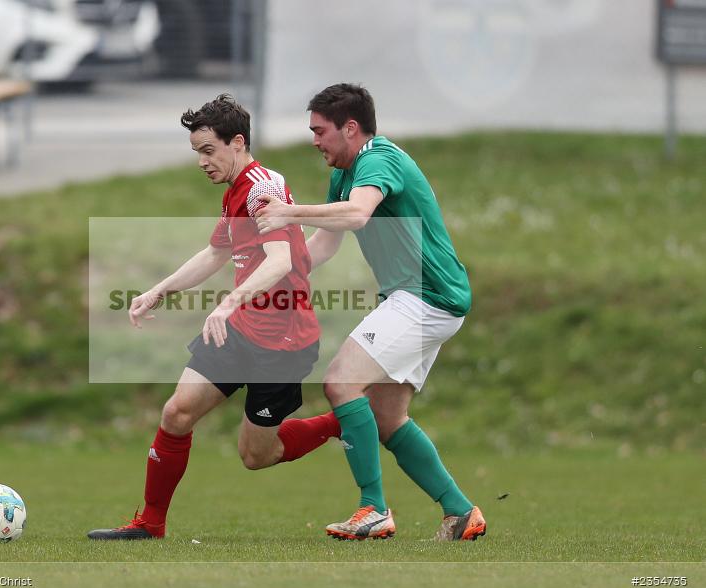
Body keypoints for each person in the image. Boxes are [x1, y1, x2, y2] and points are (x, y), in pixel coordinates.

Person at [87, 94, 340, 541]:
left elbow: (279, 261)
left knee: (256, 455)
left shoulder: (262, 188)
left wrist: (227, 304)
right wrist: (160, 290)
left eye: (208, 150)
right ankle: (150, 523)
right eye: (196, 153)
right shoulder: (234, 192)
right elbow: (216, 253)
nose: (202, 162)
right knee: (177, 413)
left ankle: (347, 420)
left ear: (237, 142)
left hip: (283, 340)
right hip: (240, 331)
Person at [255, 83, 486, 542]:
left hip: (426, 296)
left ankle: (372, 509)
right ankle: (461, 512)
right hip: (425, 298)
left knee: (340, 382)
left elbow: (357, 215)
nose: (314, 140)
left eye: (320, 131)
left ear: (351, 128)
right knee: (387, 418)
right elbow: (327, 241)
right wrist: (273, 279)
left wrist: (288, 213)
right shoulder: (345, 171)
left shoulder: (378, 159)